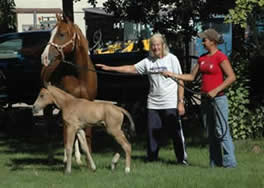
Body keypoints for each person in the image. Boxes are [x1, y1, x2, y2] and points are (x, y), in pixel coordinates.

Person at [96, 33, 188, 165]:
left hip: (170, 102)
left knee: (175, 133)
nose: (155, 48)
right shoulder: (148, 61)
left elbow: (181, 81)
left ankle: (181, 160)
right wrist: (110, 68)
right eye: (153, 45)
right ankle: (152, 159)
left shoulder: (172, 59)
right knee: (151, 134)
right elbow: (131, 68)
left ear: (163, 46)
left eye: (158, 45)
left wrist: (180, 102)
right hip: (153, 103)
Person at [162, 28, 237, 168]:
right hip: (205, 100)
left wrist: (216, 90)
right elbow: (191, 77)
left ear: (213, 42)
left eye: (205, 40)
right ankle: (215, 163)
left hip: (218, 100)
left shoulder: (220, 57)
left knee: (222, 131)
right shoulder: (202, 58)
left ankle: (230, 164)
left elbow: (232, 77)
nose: (202, 42)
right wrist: (172, 74)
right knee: (211, 132)